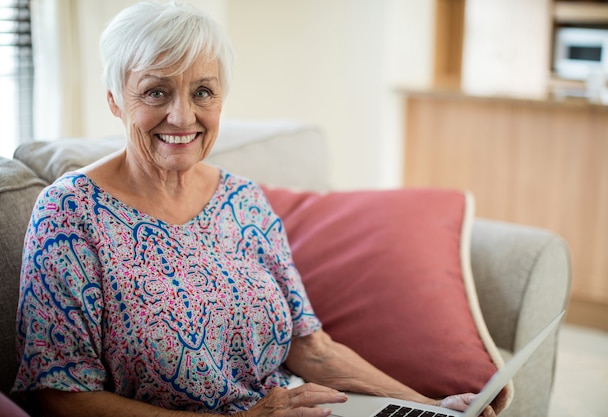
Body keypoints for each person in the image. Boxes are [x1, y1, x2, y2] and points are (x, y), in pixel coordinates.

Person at [12, 1, 495, 416]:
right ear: (116, 100)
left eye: (202, 91)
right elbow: (60, 398)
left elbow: (312, 347)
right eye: (156, 91)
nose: (182, 116)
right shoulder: (70, 212)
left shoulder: (243, 200)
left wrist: (429, 408)